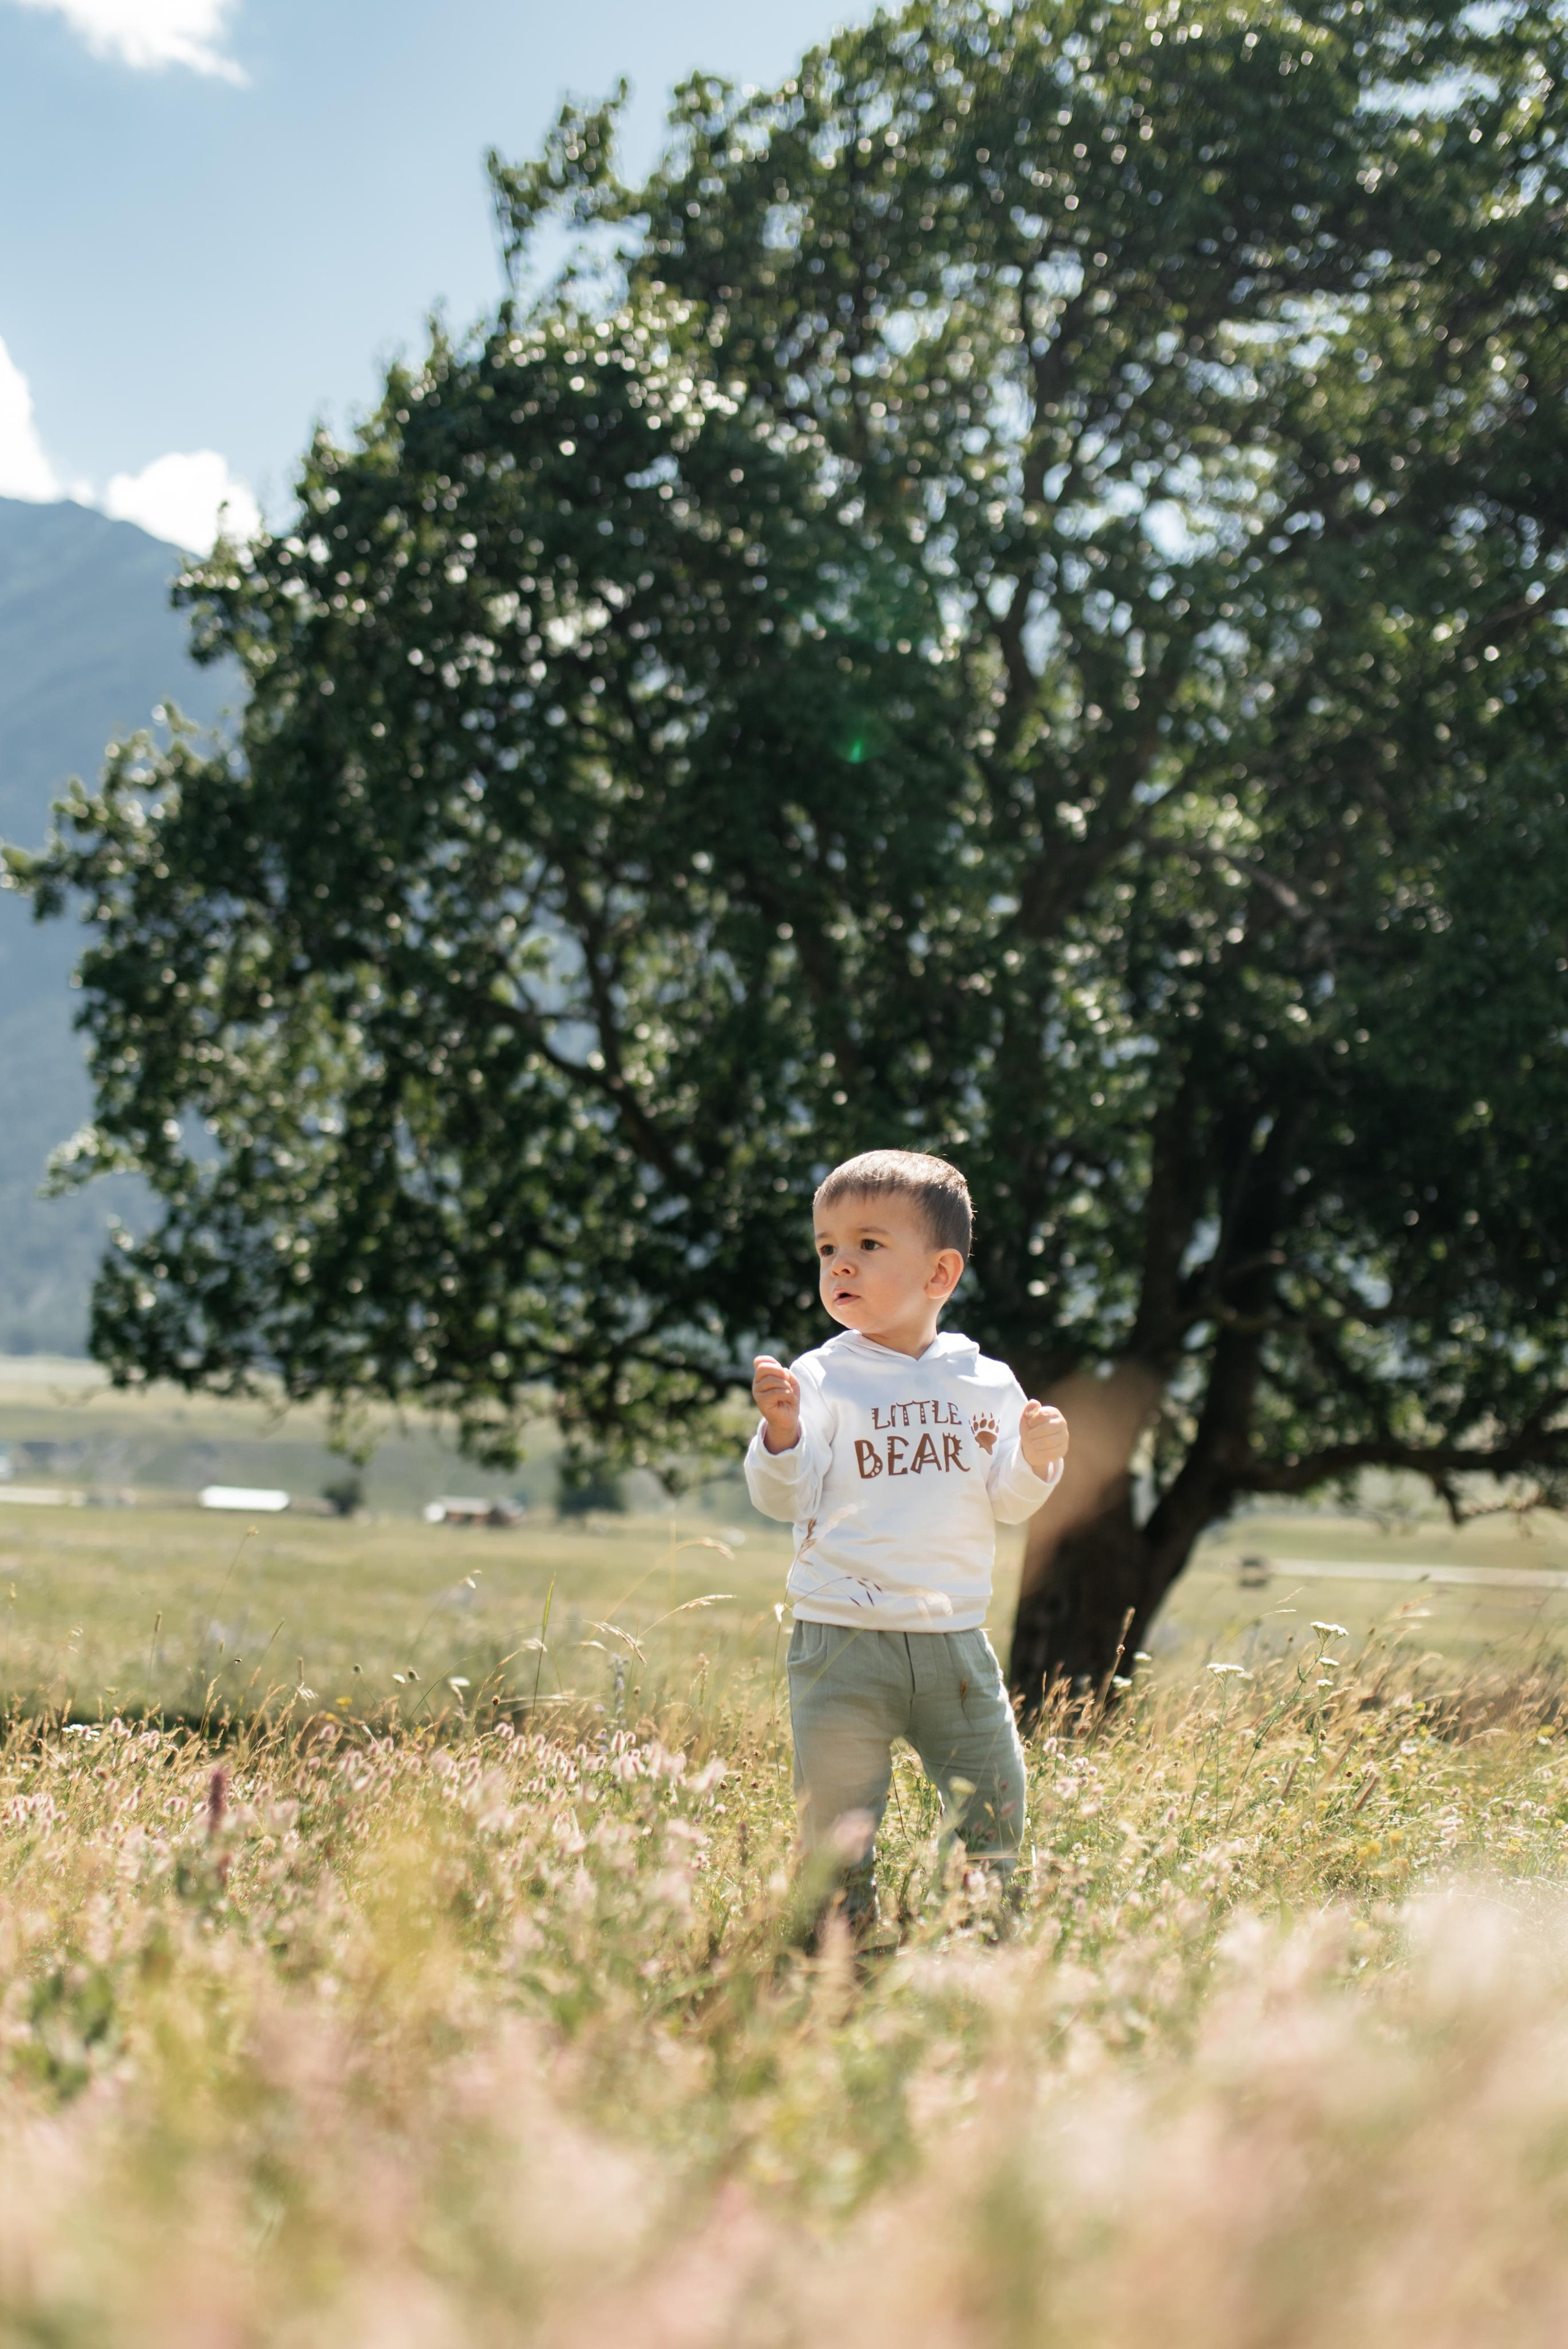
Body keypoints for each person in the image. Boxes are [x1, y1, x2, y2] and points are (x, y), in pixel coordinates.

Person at [747, 1148, 1068, 1936]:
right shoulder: (820, 1379)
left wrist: (1036, 1460)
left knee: (993, 1796)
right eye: (827, 1248)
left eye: (867, 1244)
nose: (839, 1264)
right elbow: (783, 1496)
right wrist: (780, 1435)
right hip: (840, 1639)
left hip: (951, 1639)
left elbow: (1008, 1501)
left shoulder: (984, 1380)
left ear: (940, 1274)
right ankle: (837, 1944)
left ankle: (974, 1926)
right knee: (837, 1814)